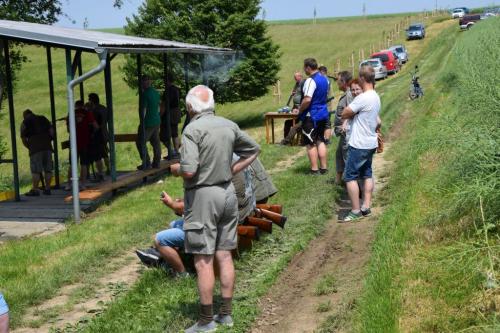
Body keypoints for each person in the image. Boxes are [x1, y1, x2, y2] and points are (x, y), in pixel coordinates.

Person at [170, 85, 260, 332]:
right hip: (227, 193)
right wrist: (233, 169)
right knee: (224, 254)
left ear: (190, 108)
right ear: (211, 104)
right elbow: (253, 150)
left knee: (203, 260)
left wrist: (176, 169)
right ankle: (226, 314)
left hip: (203, 196)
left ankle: (206, 321)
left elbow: (189, 170)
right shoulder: (228, 125)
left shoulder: (191, 130)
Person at [341, 65, 382, 222]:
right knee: (367, 174)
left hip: (359, 143)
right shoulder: (375, 96)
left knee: (349, 176)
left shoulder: (362, 98)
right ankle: (366, 206)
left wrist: (353, 112)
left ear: (363, 79)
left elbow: (344, 113)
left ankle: (355, 210)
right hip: (370, 142)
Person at [298, 58, 330, 175]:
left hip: (311, 115)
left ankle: (314, 169)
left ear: (308, 67)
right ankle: (324, 167)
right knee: (320, 141)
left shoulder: (310, 81)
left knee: (310, 143)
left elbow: (307, 99)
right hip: (323, 113)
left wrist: (299, 110)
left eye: (304, 68)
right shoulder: (324, 79)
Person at [65, 101, 99, 190]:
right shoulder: (88, 113)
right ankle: (82, 183)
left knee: (72, 164)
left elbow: (68, 129)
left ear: (75, 106)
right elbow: (96, 126)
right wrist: (91, 131)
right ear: (83, 106)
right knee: (84, 164)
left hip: (73, 142)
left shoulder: (71, 114)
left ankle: (69, 184)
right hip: (85, 142)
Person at [20, 109, 54, 196]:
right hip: (47, 146)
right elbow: (52, 132)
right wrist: (49, 140)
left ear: (25, 115)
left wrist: (29, 147)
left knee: (35, 170)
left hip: (35, 147)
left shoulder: (25, 122)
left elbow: (23, 138)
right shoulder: (43, 118)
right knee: (48, 169)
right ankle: (47, 188)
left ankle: (35, 190)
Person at [136, 75, 161, 170]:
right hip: (156, 121)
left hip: (148, 123)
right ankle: (157, 162)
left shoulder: (145, 94)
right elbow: (158, 108)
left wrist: (142, 122)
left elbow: (144, 110)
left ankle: (146, 163)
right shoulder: (155, 92)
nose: (142, 84)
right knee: (155, 142)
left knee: (140, 142)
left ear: (144, 83)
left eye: (142, 82)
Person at [333, 71, 353, 185]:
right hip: (342, 133)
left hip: (347, 132)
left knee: (347, 157)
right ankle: (339, 181)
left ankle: (352, 184)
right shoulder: (345, 94)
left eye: (338, 80)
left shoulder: (349, 95)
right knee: (339, 155)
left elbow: (351, 111)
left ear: (344, 82)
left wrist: (345, 125)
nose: (337, 83)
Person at [87, 93, 110, 176]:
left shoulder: (94, 111)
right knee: (105, 152)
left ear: (92, 100)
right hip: (105, 133)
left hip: (97, 135)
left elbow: (93, 123)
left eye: (89, 99)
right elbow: (107, 119)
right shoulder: (104, 108)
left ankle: (99, 173)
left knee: (97, 155)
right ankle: (108, 168)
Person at [160, 74, 182, 160]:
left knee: (163, 135)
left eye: (165, 80)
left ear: (167, 80)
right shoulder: (176, 89)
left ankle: (172, 151)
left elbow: (165, 105)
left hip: (169, 113)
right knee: (174, 133)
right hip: (176, 112)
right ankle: (176, 151)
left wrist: (160, 115)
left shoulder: (168, 91)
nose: (164, 82)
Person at [280, 72, 304, 146]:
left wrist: (299, 108)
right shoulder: (297, 84)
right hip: (296, 107)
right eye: (294, 77)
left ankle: (288, 141)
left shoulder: (304, 84)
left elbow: (305, 98)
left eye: (296, 77)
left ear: (300, 76)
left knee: (296, 125)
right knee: (287, 122)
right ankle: (287, 141)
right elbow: (296, 93)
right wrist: (293, 93)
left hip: (302, 110)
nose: (295, 79)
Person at [318, 65, 334, 144]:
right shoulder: (327, 80)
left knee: (325, 122)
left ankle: (325, 139)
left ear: (322, 72)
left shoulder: (324, 80)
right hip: (326, 104)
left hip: (324, 104)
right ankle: (325, 139)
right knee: (326, 122)